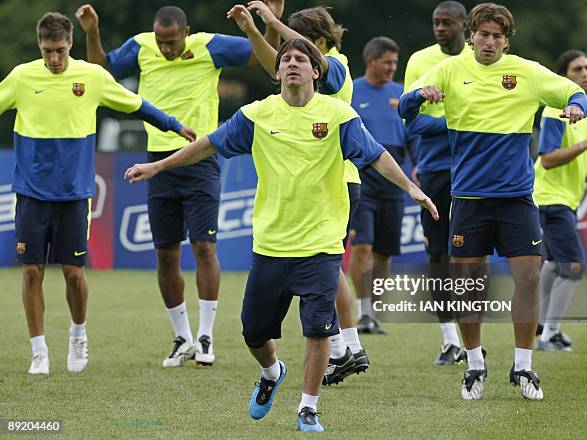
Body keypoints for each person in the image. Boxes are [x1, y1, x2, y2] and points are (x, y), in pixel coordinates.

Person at [125, 39, 437, 432]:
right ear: (276, 72)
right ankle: (272, 372)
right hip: (271, 244)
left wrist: (411, 187)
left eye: (301, 60)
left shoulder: (338, 115)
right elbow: (209, 145)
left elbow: (376, 155)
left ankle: (309, 407)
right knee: (253, 332)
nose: (292, 64)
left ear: (315, 71)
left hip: (322, 243)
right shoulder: (255, 115)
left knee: (319, 327)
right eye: (285, 59)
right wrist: (158, 167)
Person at [76, 2, 283, 368]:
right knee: (165, 254)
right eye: (161, 42)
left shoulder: (209, 45)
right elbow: (100, 71)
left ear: (185, 34)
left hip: (201, 159)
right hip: (156, 163)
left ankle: (205, 336)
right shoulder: (142, 46)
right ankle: (181, 337)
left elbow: (262, 57)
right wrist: (92, 32)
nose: (166, 49)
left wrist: (270, 21)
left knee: (204, 249)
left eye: (172, 42)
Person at [400, 3, 587, 401]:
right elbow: (406, 109)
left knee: (530, 278)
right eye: (482, 34)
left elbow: (573, 91)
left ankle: (524, 366)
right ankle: (474, 365)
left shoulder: (527, 71)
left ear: (507, 40)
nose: (489, 42)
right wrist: (420, 94)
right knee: (467, 284)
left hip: (517, 198)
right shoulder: (450, 70)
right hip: (467, 199)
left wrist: (576, 106)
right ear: (470, 36)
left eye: (497, 36)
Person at [0, 12, 195, 375]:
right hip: (30, 193)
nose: (54, 59)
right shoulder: (22, 77)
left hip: (75, 194)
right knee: (31, 273)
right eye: (47, 52)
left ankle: (78, 334)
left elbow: (135, 103)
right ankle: (39, 350)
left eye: (59, 51)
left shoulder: (91, 77)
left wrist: (174, 124)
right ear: (38, 46)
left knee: (74, 273)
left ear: (70, 44)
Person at [227, 2, 369, 385]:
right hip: (320, 180)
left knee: (326, 261)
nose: (295, 57)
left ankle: (346, 346)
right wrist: (254, 31)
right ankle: (344, 346)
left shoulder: (335, 64)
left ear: (320, 43)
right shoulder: (299, 68)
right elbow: (272, 62)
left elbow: (297, 57)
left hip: (337, 178)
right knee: (327, 264)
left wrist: (272, 21)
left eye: (303, 43)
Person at [403, 0, 471, 366]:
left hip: (476, 168)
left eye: (447, 23)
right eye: (436, 23)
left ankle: (471, 339)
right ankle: (449, 340)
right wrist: (457, 124)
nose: (440, 29)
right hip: (434, 169)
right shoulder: (419, 61)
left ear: (464, 25)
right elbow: (411, 122)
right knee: (437, 253)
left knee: (470, 254)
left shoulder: (483, 58)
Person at [534, 50, 587, 351]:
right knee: (574, 266)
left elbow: (580, 156)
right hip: (549, 198)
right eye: (578, 69)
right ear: (564, 77)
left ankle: (540, 321)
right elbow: (549, 159)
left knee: (555, 263)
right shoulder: (556, 110)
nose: (586, 73)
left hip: (566, 199)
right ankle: (550, 334)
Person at [349, 36, 413, 337]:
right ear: (371, 61)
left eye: (394, 63)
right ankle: (361, 312)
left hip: (394, 177)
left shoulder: (400, 94)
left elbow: (412, 134)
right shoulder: (352, 90)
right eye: (387, 62)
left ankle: (373, 313)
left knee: (385, 252)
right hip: (362, 177)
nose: (392, 67)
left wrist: (419, 163)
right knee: (362, 245)